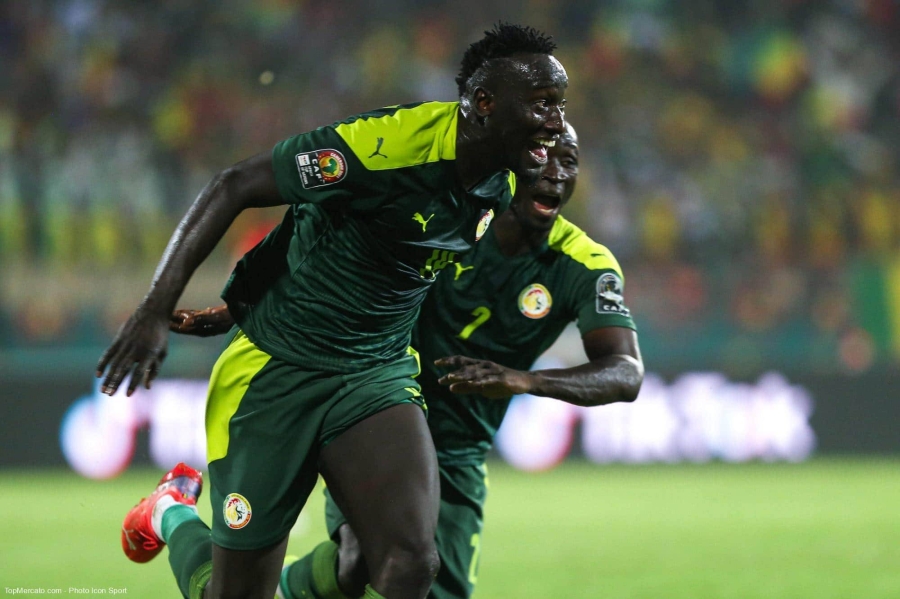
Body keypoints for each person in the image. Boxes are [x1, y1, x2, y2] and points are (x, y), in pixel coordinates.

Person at [97, 23, 568, 599]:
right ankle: (171, 511)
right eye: (542, 104)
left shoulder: (503, 181)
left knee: (411, 561)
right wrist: (155, 308)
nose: (556, 121)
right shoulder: (387, 146)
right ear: (485, 103)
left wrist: (240, 304)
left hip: (374, 372)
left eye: (560, 105)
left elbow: (332, 235)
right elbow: (234, 184)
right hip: (278, 372)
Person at [170, 123, 644, 599]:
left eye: (570, 162)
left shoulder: (583, 263)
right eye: (546, 157)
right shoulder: (456, 217)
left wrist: (525, 381)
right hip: (367, 410)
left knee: (390, 574)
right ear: (515, 162)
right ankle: (180, 520)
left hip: (458, 449)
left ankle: (181, 520)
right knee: (364, 560)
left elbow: (626, 372)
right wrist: (241, 308)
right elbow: (325, 252)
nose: (557, 173)